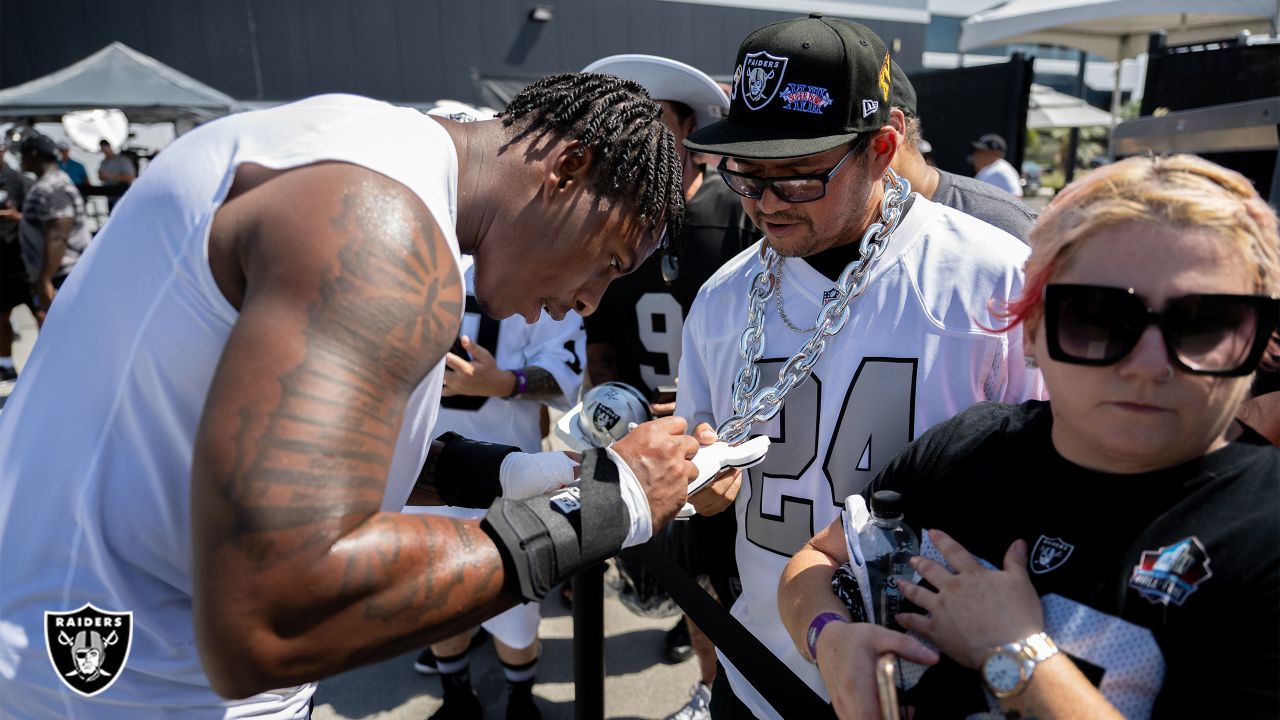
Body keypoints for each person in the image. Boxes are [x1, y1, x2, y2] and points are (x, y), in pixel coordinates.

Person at [0, 77, 699, 718]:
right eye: (608, 261)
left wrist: (492, 473)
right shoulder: (381, 225)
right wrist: (604, 513)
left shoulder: (363, 150)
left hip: (86, 647)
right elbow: (270, 622)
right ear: (566, 170)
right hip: (125, 686)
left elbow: (276, 454)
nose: (588, 301)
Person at [778, 154, 1280, 720]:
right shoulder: (971, 447)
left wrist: (1013, 651)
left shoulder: (1264, 534)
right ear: (1033, 330)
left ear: (1260, 340)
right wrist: (830, 637)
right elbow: (816, 558)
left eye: (1204, 323)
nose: (1149, 364)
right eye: (1098, 317)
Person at [675, 15, 1045, 718]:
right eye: (744, 175)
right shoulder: (722, 299)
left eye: (796, 178)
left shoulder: (990, 280)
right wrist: (700, 482)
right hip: (759, 674)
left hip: (931, 685)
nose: (762, 204)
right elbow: (704, 470)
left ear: (882, 148)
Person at [580, 53, 754, 720]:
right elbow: (601, 337)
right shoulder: (611, 224)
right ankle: (712, 693)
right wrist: (614, 398)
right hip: (655, 445)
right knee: (694, 591)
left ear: (689, 133)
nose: (640, 142)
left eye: (655, 124)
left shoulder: (738, 215)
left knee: (752, 587)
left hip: (733, 441)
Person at [410, 254, 588, 720]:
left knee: (516, 605)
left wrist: (503, 382)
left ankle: (520, 701)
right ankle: (457, 697)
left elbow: (564, 374)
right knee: (434, 597)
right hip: (421, 468)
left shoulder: (534, 262)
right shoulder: (415, 256)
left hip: (507, 468)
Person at [889, 66, 1036, 241]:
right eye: (977, 150)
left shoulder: (1000, 173)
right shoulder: (989, 173)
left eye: (982, 151)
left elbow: (1015, 199)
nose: (977, 155)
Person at [16, 134, 90, 324]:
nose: (20, 160)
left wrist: (45, 280)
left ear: (33, 155)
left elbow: (58, 235)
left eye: (22, 155)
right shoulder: (50, 183)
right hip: (58, 275)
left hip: (62, 276)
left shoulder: (52, 187)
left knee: (68, 334)